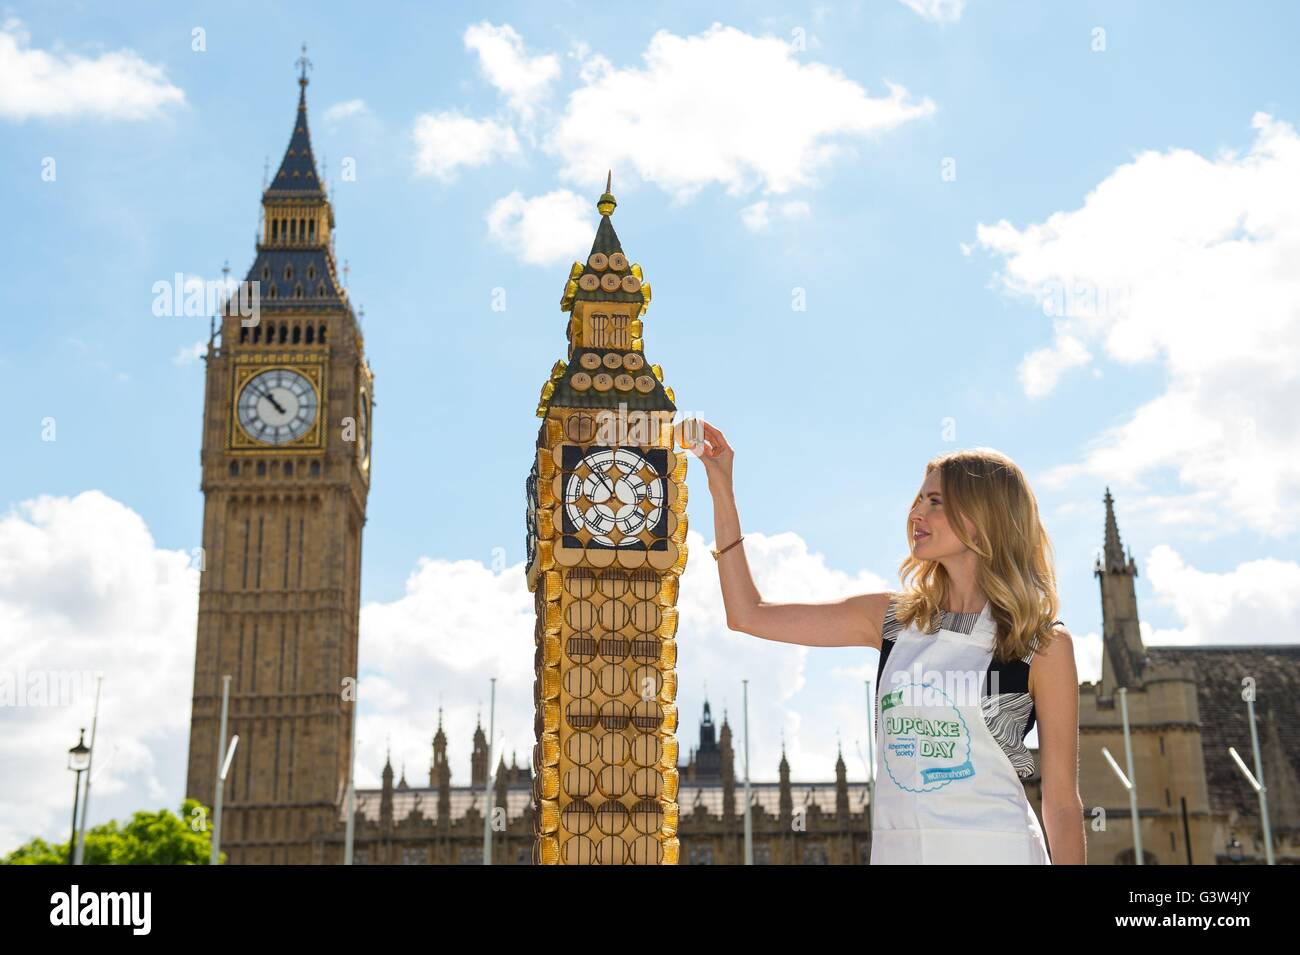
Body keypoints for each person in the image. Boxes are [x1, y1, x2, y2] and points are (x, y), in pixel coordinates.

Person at [684, 419, 1085, 865]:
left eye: (935, 502)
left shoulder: (1042, 645)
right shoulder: (892, 619)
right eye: (918, 499)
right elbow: (747, 614)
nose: (916, 513)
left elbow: (1062, 803)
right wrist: (722, 488)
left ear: (982, 520)